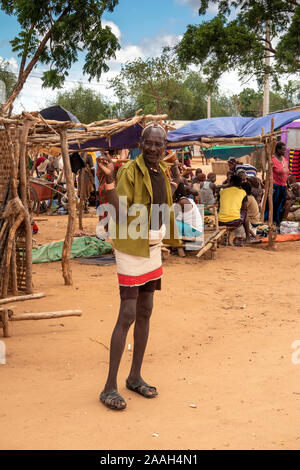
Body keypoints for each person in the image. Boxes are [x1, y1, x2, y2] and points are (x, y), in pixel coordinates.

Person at [97, 123, 180, 410]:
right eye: (149, 143)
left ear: (164, 146)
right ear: (140, 143)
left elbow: (162, 204)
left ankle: (134, 377)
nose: (154, 149)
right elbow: (118, 213)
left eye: (159, 144)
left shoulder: (161, 173)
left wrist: (176, 183)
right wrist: (109, 182)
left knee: (146, 311)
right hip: (131, 248)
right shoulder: (130, 172)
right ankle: (109, 387)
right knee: (128, 313)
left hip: (152, 248)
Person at [218, 174, 251, 241]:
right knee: (245, 214)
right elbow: (244, 207)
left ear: (231, 182)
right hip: (235, 222)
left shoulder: (222, 192)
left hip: (220, 222)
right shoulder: (243, 192)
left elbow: (219, 205)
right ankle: (248, 237)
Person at [265, 141, 289, 225]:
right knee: (273, 203)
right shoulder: (272, 159)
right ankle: (270, 220)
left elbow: (286, 174)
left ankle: (277, 220)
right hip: (275, 186)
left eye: (285, 150)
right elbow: (267, 173)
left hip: (283, 186)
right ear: (278, 149)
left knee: (281, 204)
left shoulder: (284, 159)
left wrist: (287, 186)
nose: (284, 151)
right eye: (282, 150)